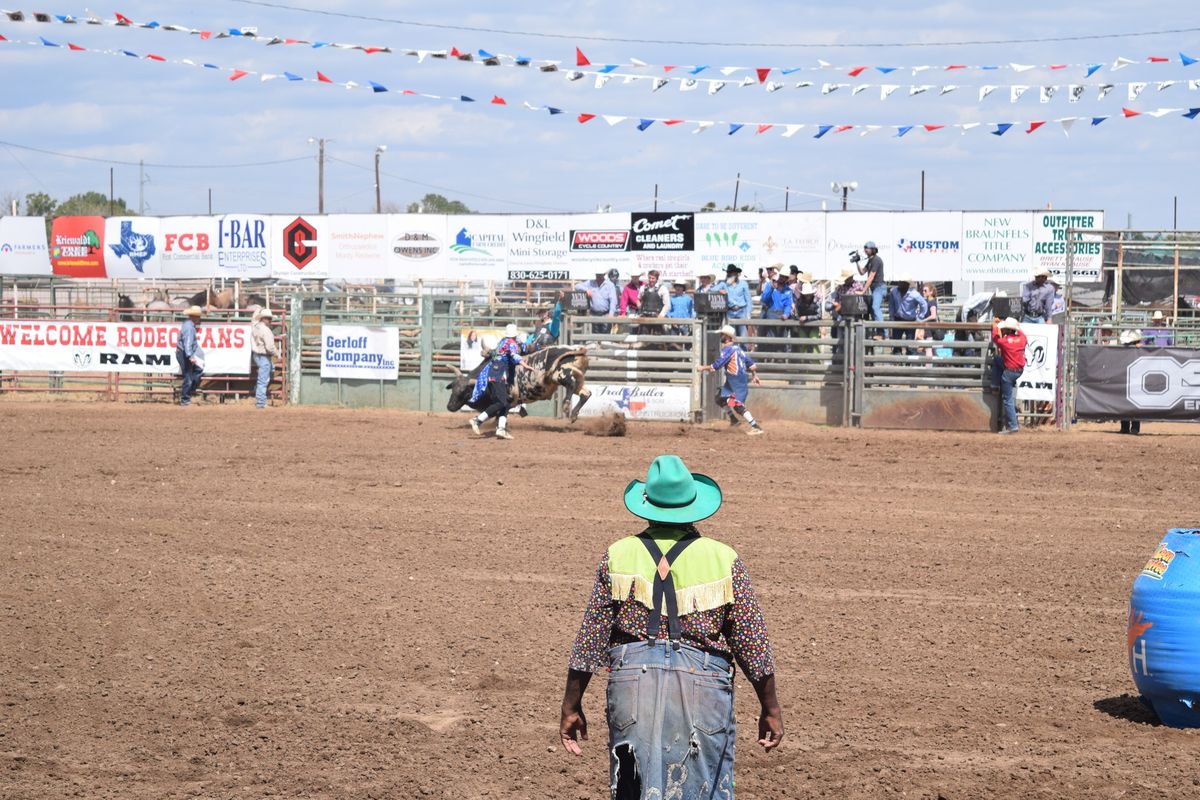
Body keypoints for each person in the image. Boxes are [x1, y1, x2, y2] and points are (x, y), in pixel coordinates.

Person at [560, 455, 783, 798]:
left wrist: (571, 705)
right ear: (694, 505)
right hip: (704, 685)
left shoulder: (618, 554)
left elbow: (591, 638)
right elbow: (752, 642)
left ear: (646, 505)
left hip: (632, 684)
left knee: (633, 788)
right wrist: (770, 707)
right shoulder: (723, 558)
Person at [469, 326, 538, 440]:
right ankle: (477, 420)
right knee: (501, 403)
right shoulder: (512, 344)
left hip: (494, 373)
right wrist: (526, 366)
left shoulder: (502, 342)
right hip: (499, 375)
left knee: (505, 403)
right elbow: (515, 356)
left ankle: (501, 429)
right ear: (515, 335)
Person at [698, 325, 765, 435]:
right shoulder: (738, 349)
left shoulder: (728, 350)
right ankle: (734, 420)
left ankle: (755, 426)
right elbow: (752, 365)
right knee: (720, 398)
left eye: (722, 334)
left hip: (736, 380)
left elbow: (717, 365)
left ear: (728, 337)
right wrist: (754, 375)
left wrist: (702, 368)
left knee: (737, 404)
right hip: (736, 379)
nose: (720, 336)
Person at [990, 317, 1027, 434]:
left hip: (1009, 372)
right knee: (997, 360)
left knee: (1007, 399)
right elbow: (1022, 333)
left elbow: (995, 338)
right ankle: (995, 384)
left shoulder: (1005, 342)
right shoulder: (1022, 339)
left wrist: (995, 327)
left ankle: (1013, 426)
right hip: (1019, 370)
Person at [888, 275, 929, 350]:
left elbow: (924, 304)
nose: (900, 283)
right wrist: (891, 316)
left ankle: (909, 360)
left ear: (907, 284)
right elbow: (891, 304)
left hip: (910, 320)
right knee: (896, 343)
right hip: (898, 319)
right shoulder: (894, 291)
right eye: (900, 281)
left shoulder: (914, 294)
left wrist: (920, 317)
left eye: (902, 282)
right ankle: (898, 358)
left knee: (910, 344)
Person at [250, 308, 279, 409]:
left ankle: (259, 394)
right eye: (269, 319)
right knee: (263, 379)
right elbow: (270, 347)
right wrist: (277, 354)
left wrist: (258, 310)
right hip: (264, 356)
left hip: (256, 355)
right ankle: (261, 402)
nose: (270, 321)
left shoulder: (255, 326)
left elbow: (253, 319)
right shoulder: (266, 331)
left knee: (266, 375)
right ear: (264, 319)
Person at [176, 305, 204, 407]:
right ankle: (185, 399)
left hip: (183, 352)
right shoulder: (190, 327)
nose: (199, 319)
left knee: (195, 372)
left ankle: (188, 392)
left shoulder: (187, 325)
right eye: (198, 317)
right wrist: (190, 356)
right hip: (185, 353)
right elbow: (188, 343)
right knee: (189, 376)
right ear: (195, 317)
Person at [1118, 329, 1145, 435]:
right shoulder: (1121, 351)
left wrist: (1140, 348)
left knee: (1134, 402)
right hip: (1125, 377)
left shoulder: (1140, 350)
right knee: (1123, 402)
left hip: (1136, 378)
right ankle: (1124, 426)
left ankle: (1135, 427)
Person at [718, 264, 752, 340]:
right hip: (730, 311)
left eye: (733, 273)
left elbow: (748, 300)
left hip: (741, 311)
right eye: (729, 273)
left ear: (737, 274)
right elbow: (713, 289)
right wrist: (718, 290)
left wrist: (748, 313)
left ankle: (743, 351)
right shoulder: (724, 284)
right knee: (730, 335)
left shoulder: (743, 284)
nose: (731, 274)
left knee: (743, 335)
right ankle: (733, 351)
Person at [760, 272, 794, 348]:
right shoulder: (770, 285)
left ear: (787, 279)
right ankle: (771, 357)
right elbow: (764, 299)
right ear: (779, 276)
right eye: (782, 276)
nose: (783, 278)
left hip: (782, 313)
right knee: (771, 337)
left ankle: (780, 358)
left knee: (782, 337)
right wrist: (772, 289)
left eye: (785, 277)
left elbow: (788, 304)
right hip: (771, 312)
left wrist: (786, 314)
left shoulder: (788, 290)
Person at [861, 241, 886, 324]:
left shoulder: (876, 260)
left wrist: (863, 291)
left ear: (873, 250)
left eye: (867, 248)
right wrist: (856, 262)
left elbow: (871, 277)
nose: (865, 250)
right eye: (865, 248)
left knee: (875, 307)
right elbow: (862, 272)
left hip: (879, 287)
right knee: (872, 310)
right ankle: (879, 332)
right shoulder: (870, 260)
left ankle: (883, 333)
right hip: (875, 288)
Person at [793, 282, 821, 352]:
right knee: (803, 345)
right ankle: (803, 362)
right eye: (806, 295)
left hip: (814, 327)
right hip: (802, 327)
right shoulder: (799, 302)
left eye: (809, 294)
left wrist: (807, 318)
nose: (808, 296)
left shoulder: (816, 301)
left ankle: (816, 362)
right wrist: (799, 318)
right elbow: (796, 315)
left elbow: (819, 315)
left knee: (814, 342)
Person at [917, 283, 940, 358]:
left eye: (925, 290)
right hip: (929, 327)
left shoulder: (932, 302)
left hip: (930, 327)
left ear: (931, 292)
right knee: (929, 348)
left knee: (928, 348)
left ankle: (928, 366)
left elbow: (933, 316)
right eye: (923, 290)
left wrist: (923, 320)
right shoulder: (929, 302)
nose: (923, 292)